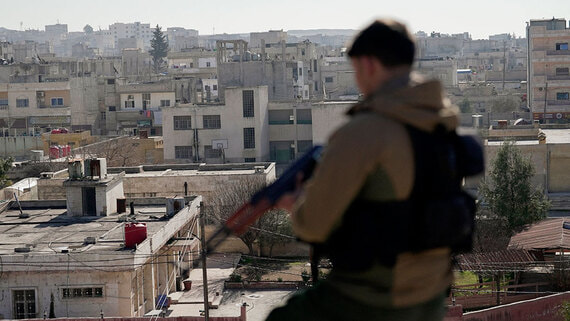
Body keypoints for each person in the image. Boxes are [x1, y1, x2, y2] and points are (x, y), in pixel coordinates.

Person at [266, 19, 470, 321]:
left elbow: (313, 225)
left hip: (374, 296)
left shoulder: (364, 132)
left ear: (369, 65)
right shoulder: (442, 124)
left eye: (355, 70)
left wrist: (294, 203)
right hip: (430, 295)